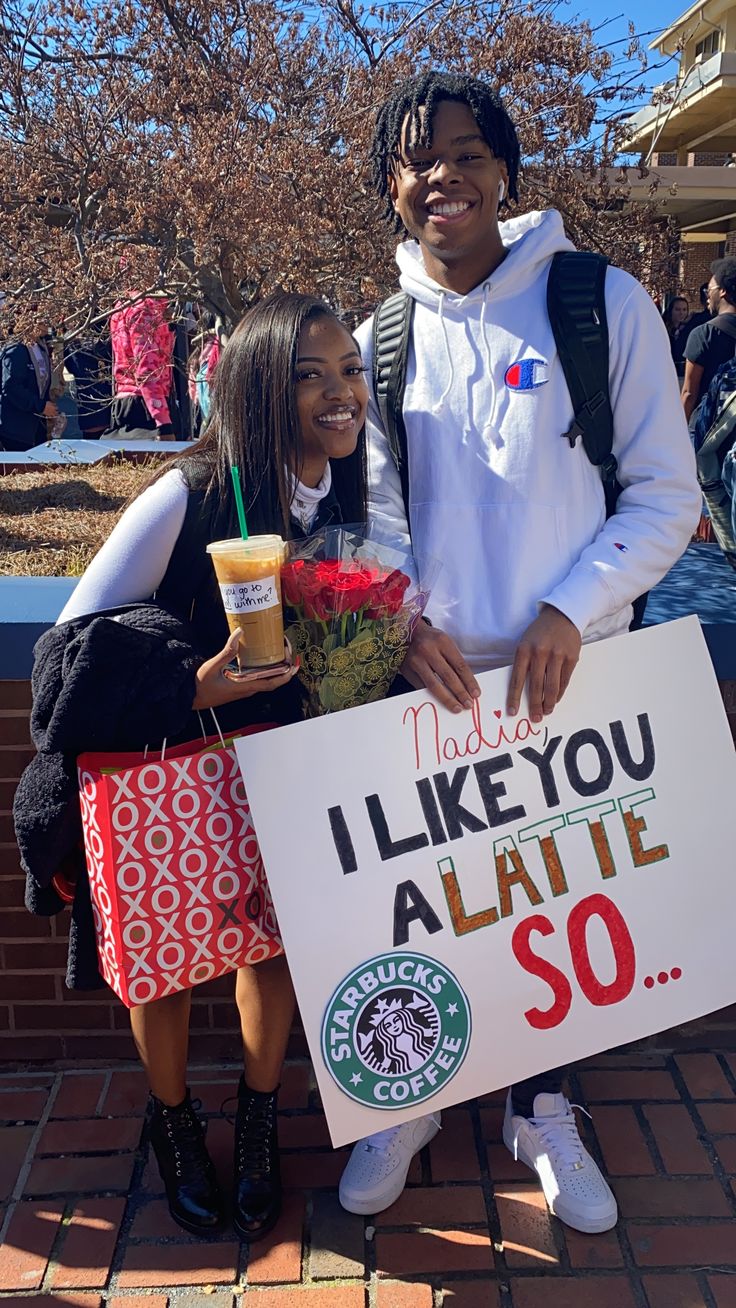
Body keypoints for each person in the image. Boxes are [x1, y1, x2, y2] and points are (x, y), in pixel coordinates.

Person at [339, 70, 701, 1235]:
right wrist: (401, 624)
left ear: (503, 167)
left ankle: (544, 1104)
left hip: (572, 680)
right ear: (390, 187)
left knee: (557, 908)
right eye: (415, 158)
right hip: (432, 690)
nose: (440, 173)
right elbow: (373, 519)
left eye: (464, 151)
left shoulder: (601, 302)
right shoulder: (378, 338)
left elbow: (664, 495)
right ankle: (423, 1096)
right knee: (435, 909)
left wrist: (568, 607)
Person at [50, 293, 369, 1240]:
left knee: (273, 947)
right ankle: (175, 1118)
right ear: (258, 387)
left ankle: (261, 1113)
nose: (338, 392)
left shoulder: (349, 489)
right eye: (308, 374)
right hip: (174, 778)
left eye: (348, 369)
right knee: (168, 960)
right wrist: (195, 685)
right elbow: (67, 655)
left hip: (287, 765)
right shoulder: (187, 496)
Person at [104, 293, 177, 440]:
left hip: (126, 399)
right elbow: (147, 369)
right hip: (147, 406)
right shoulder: (145, 307)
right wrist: (163, 422)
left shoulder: (121, 305)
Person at [682, 258, 736, 431]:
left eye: (709, 289)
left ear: (722, 291)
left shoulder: (704, 334)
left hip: (709, 431)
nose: (706, 295)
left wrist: (676, 435)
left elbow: (689, 394)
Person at [0, 327, 58, 450]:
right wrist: (40, 406)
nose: (47, 323)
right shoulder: (16, 349)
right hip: (15, 430)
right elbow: (11, 387)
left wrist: (49, 409)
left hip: (36, 427)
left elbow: (41, 384)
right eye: (42, 318)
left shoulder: (40, 346)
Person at [662, 295, 690, 379]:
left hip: (682, 371)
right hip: (666, 370)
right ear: (671, 310)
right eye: (677, 309)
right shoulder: (663, 328)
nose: (681, 313)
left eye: (684, 310)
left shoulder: (688, 329)